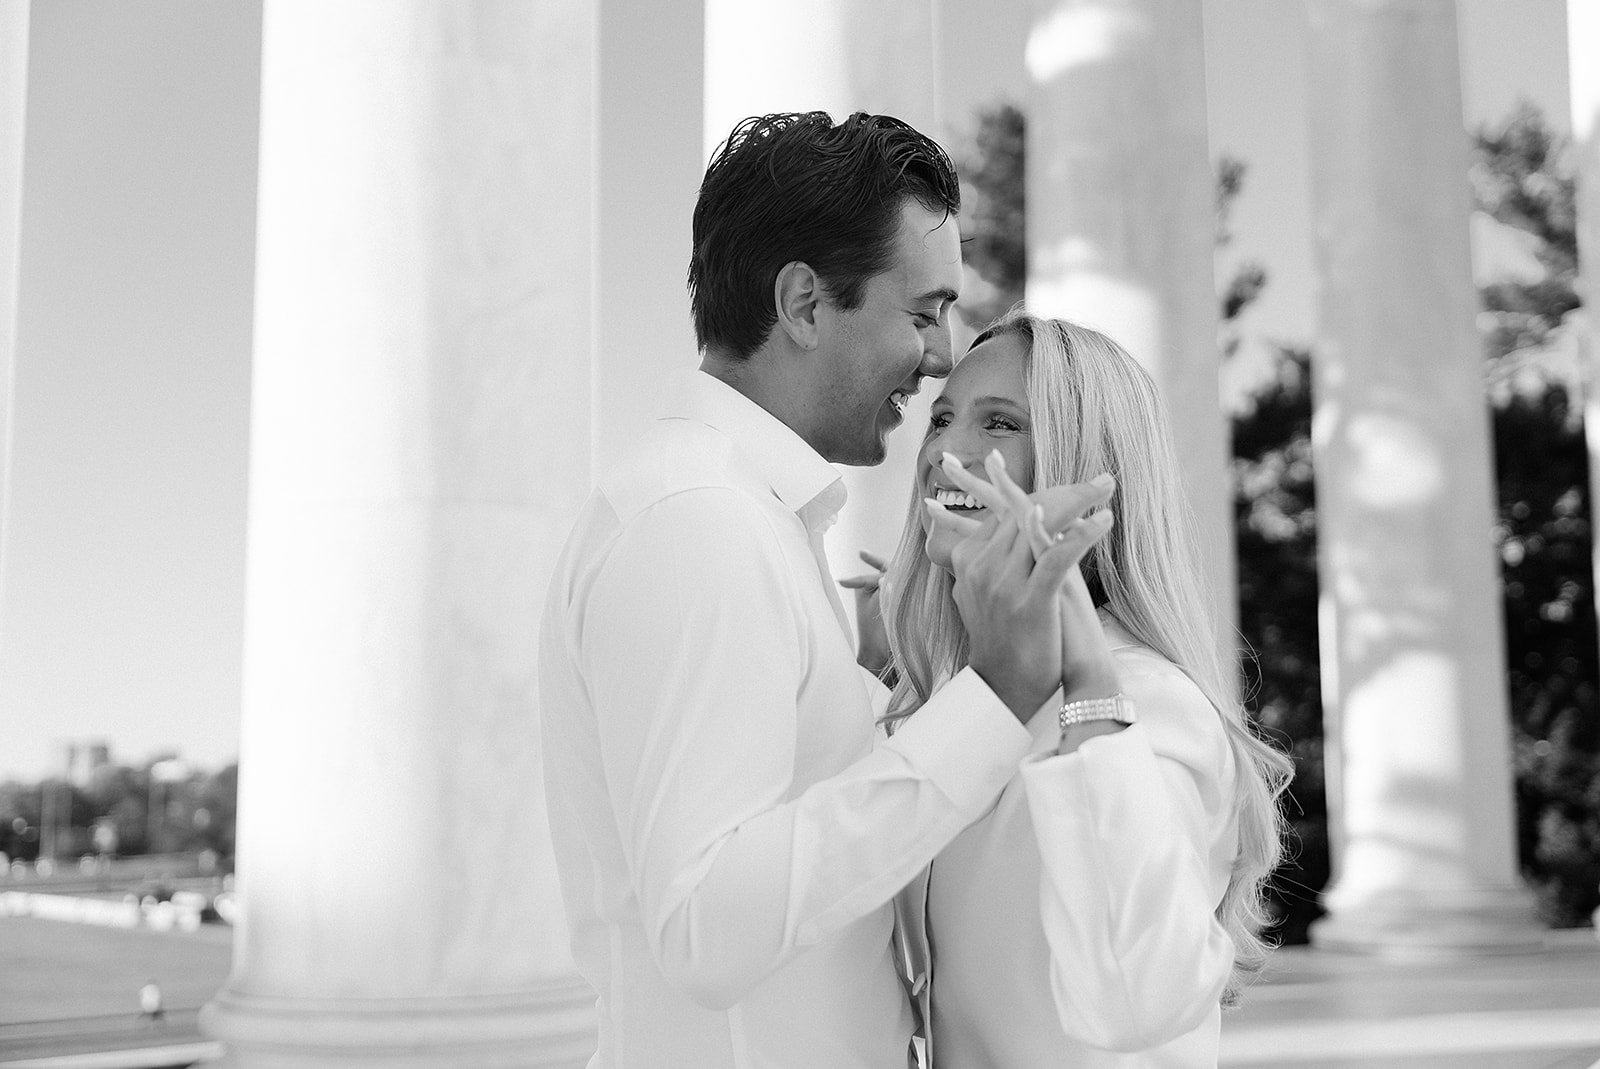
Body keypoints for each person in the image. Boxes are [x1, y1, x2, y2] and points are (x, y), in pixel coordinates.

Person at [538, 114, 1114, 1068]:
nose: (940, 358)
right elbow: (708, 928)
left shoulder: (749, 520)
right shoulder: (700, 523)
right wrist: (998, 695)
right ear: (805, 303)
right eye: (924, 312)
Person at [858, 309, 1292, 1067]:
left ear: (1078, 461)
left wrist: (1085, 674)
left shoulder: (1147, 700)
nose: (947, 452)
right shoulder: (958, 702)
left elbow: (1137, 999)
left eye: (1001, 424)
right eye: (942, 419)